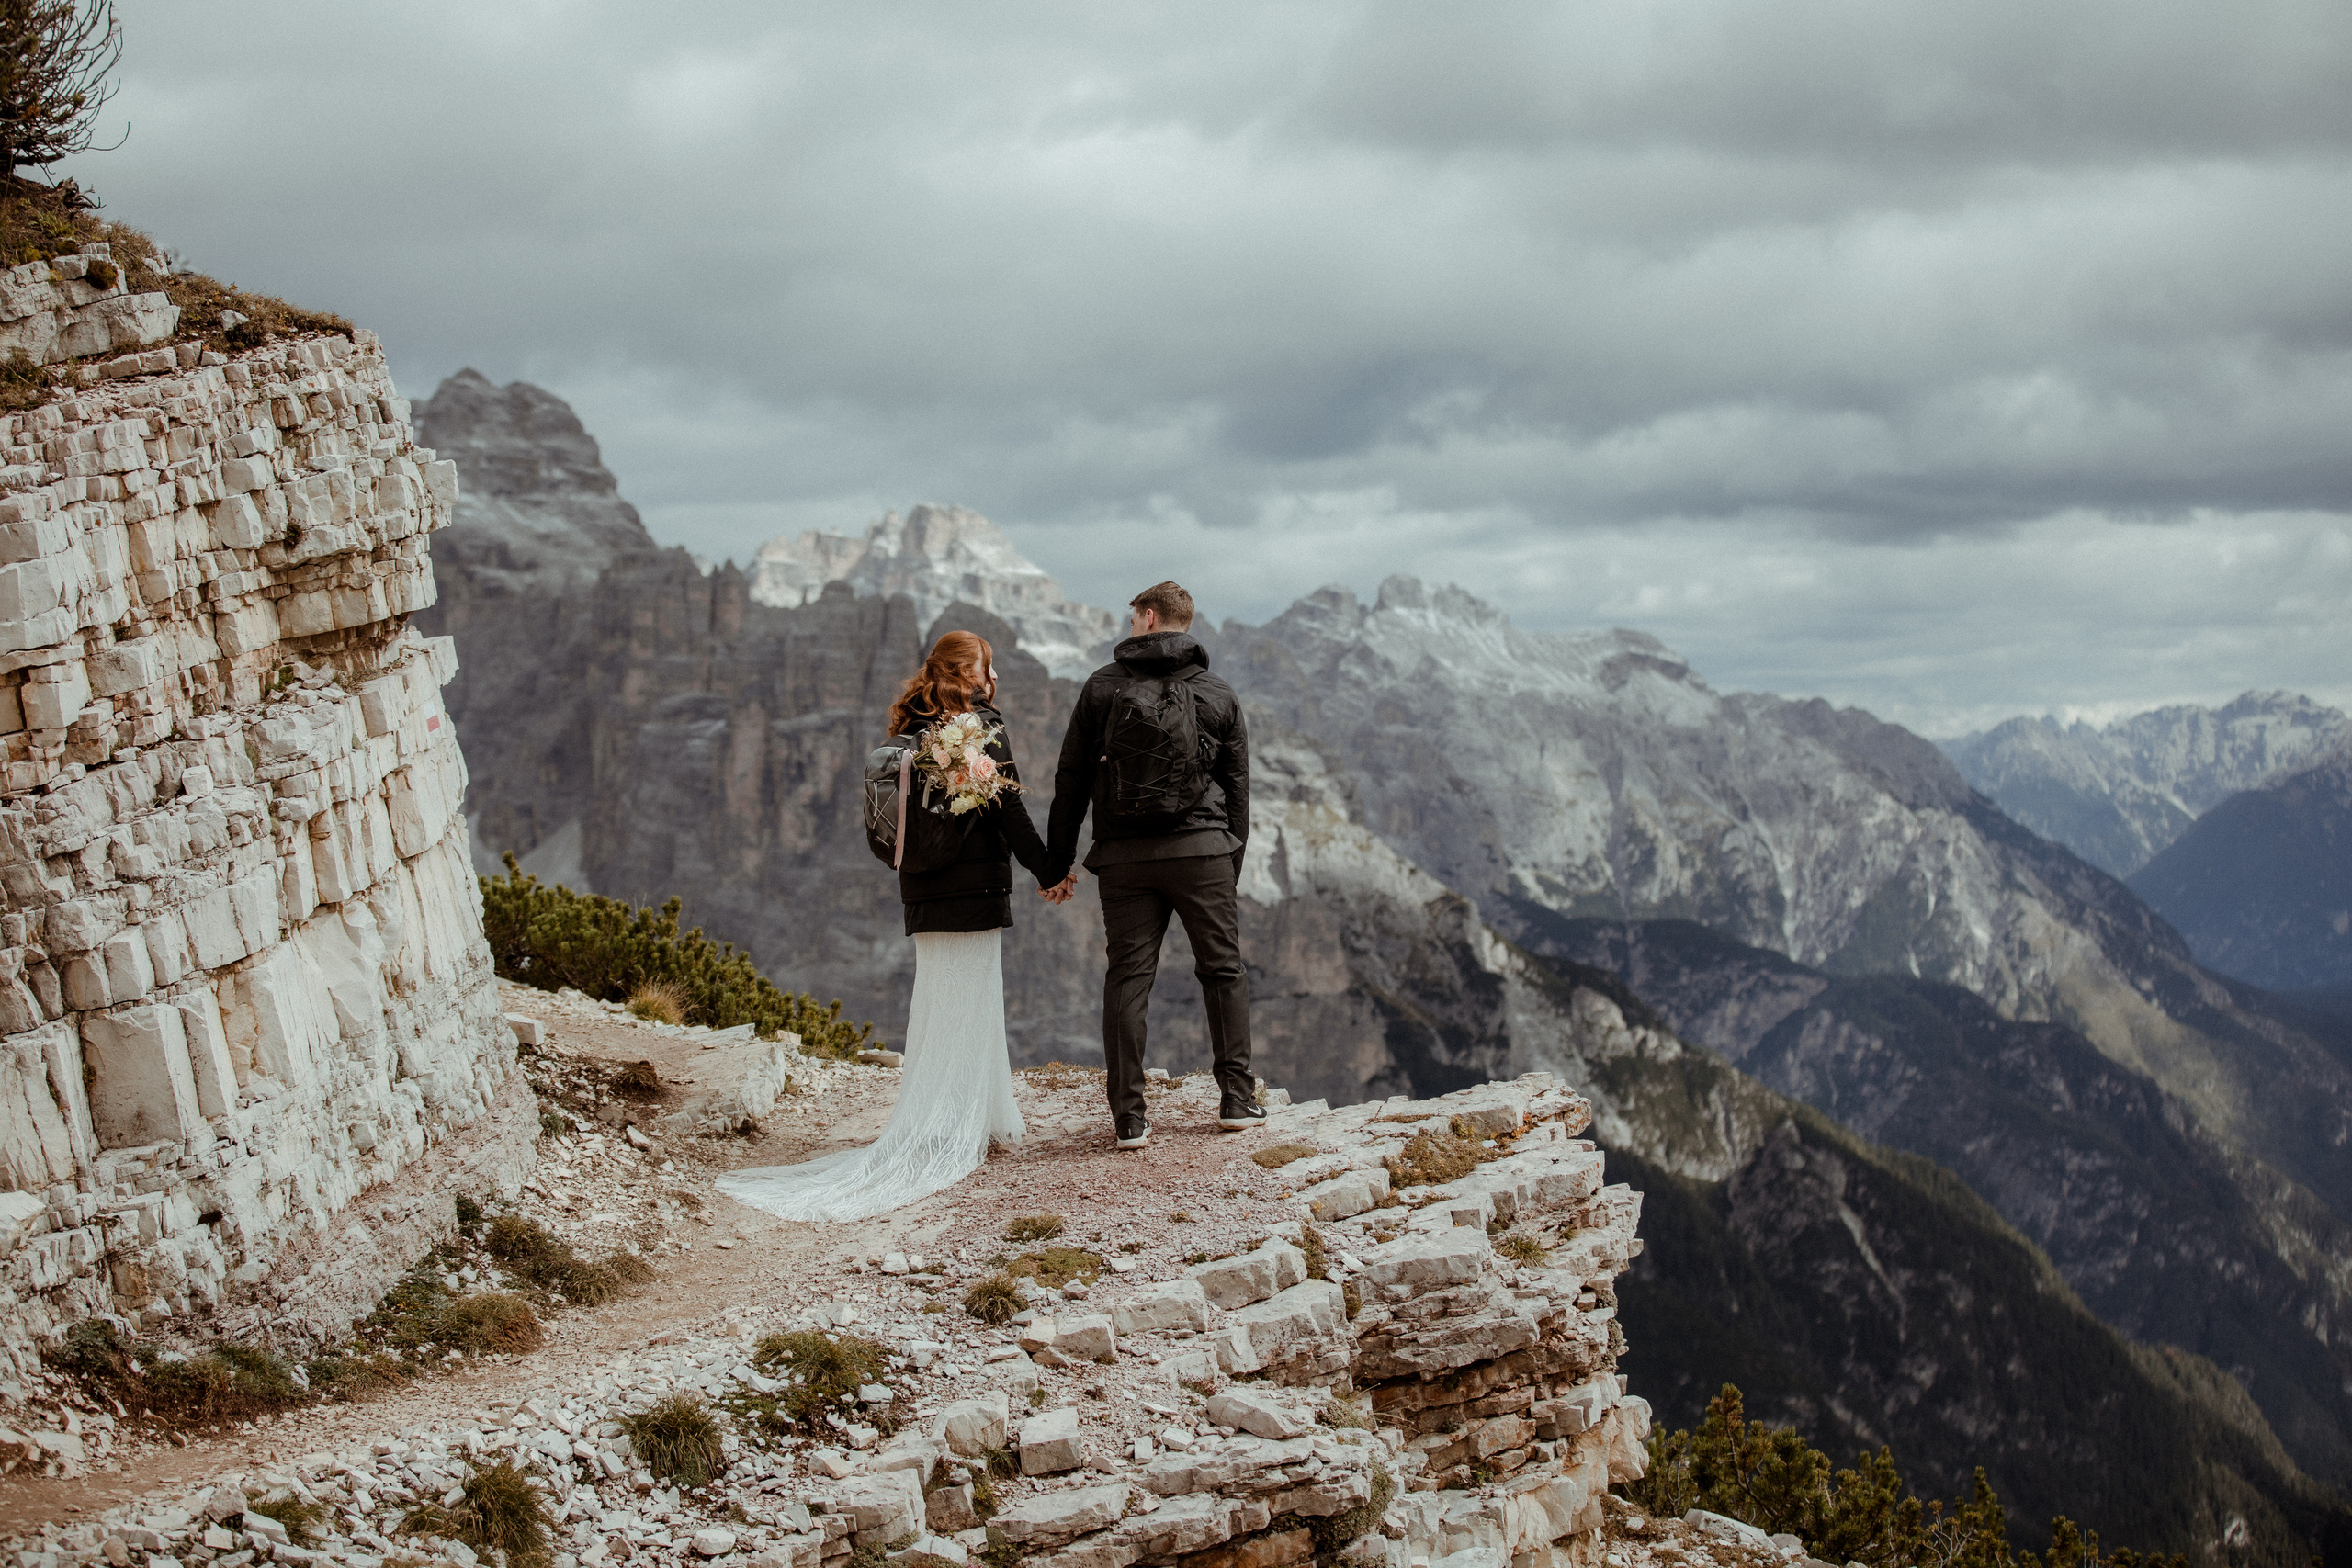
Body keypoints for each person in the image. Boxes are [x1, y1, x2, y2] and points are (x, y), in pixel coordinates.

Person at [718, 630, 1055, 1222]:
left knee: (941, 998)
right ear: (965, 673)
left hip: (923, 891)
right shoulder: (977, 729)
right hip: (972, 891)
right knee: (972, 997)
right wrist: (1050, 870)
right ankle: (956, 1128)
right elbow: (1010, 812)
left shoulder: (912, 731)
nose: (992, 676)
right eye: (986, 668)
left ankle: (962, 1116)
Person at [1041, 581, 1257, 1148]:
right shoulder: (1218, 692)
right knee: (1222, 970)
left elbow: (1071, 783)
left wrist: (1057, 864)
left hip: (1124, 859)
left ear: (1148, 616)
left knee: (1128, 978)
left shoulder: (1102, 688)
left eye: (1133, 617)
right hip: (1202, 853)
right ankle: (1237, 1098)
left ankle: (1129, 1118)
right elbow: (1237, 791)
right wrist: (1227, 859)